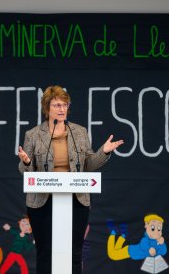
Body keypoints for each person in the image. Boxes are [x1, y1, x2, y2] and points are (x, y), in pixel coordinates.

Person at [18, 85, 124, 274]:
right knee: (44, 253)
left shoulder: (79, 132)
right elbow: (25, 171)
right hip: (42, 201)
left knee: (75, 253)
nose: (62, 109)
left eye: (65, 105)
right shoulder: (33, 135)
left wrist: (104, 152)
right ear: (47, 108)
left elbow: (89, 164)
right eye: (57, 105)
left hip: (76, 199)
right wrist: (26, 162)